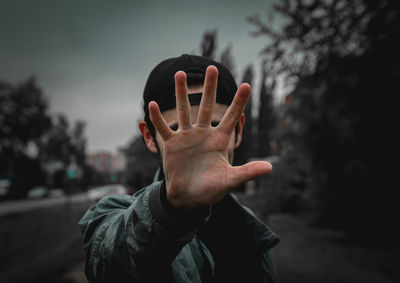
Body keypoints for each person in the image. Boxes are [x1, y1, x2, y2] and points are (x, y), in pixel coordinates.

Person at [79, 54, 279, 282]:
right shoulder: (114, 213)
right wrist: (172, 208)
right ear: (149, 136)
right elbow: (110, 264)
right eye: (177, 130)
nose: (199, 144)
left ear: (239, 130)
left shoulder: (247, 224)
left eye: (214, 125)